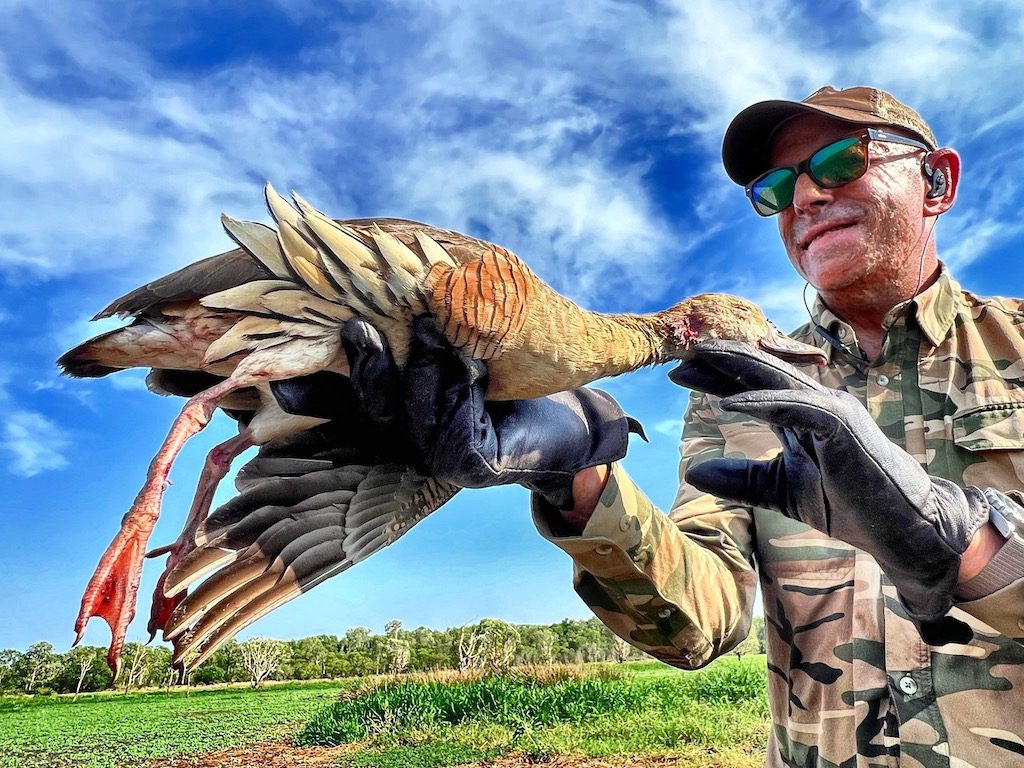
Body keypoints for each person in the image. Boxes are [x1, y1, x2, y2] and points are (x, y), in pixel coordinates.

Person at [280, 86, 1024, 765]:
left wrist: (969, 547)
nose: (804, 196)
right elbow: (702, 622)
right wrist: (578, 476)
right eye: (773, 189)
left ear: (938, 183)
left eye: (840, 161)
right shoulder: (739, 391)